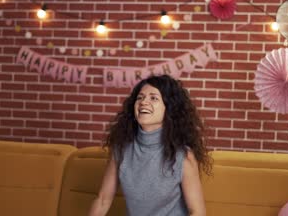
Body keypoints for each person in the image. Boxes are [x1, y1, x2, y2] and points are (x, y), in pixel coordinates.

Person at [89, 74, 212, 216]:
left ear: (169, 108)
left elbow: (197, 211)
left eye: (153, 98)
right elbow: (103, 200)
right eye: (140, 98)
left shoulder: (182, 155)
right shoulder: (121, 149)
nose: (143, 102)